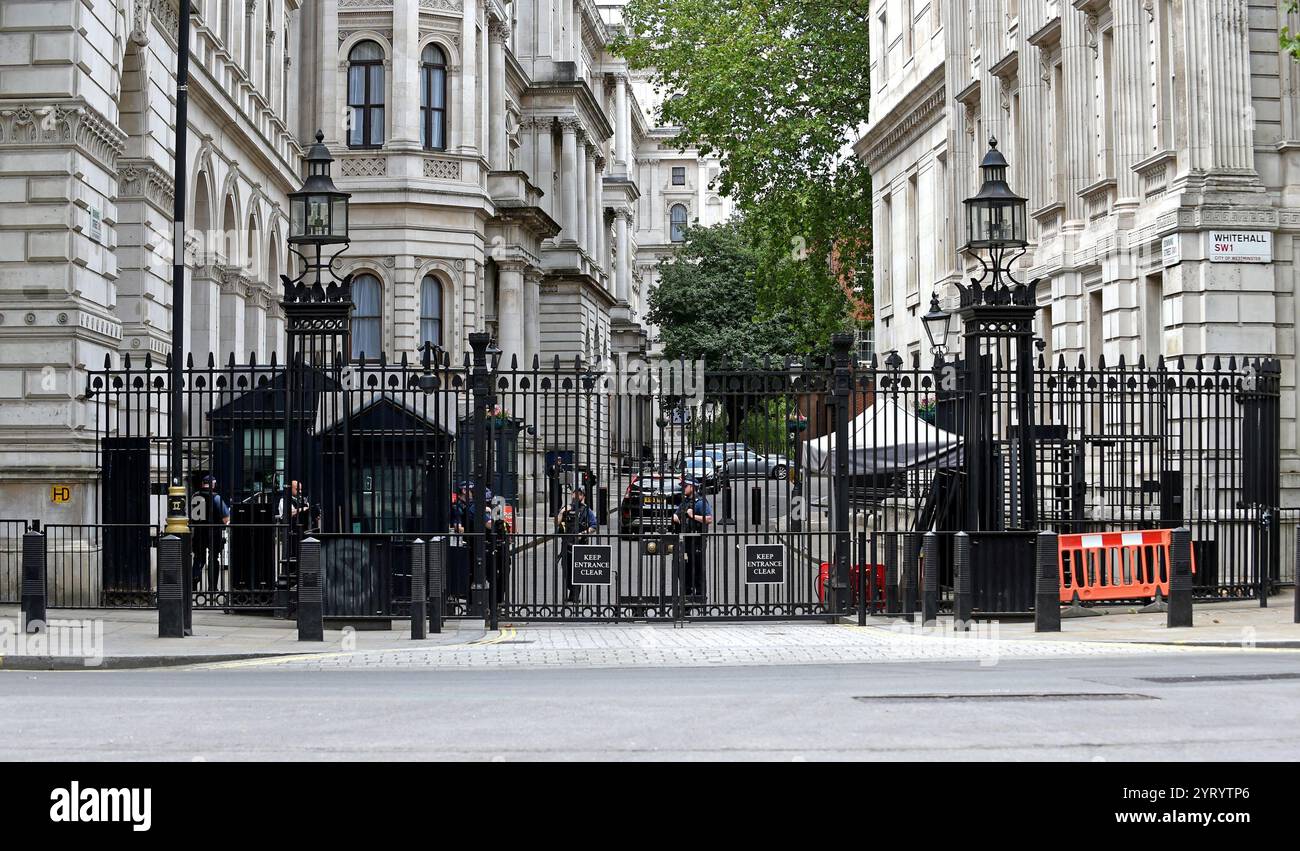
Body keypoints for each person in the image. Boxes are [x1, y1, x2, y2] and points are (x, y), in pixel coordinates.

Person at [555, 485, 598, 605]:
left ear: (583, 496)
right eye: (575, 493)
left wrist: (582, 533)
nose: (576, 496)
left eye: (579, 494)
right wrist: (562, 512)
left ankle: (574, 595)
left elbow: (594, 526)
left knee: (577, 571)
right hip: (566, 544)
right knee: (566, 571)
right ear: (571, 495)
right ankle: (571, 591)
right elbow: (557, 524)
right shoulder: (566, 508)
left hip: (580, 545)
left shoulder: (586, 510)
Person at [672, 477, 712, 600]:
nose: (683, 488)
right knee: (684, 568)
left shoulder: (700, 502)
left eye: (685, 486)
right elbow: (676, 513)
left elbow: (709, 519)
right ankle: (687, 594)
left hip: (697, 540)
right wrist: (675, 516)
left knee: (698, 567)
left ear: (692, 487)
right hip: (685, 540)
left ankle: (700, 595)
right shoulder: (685, 502)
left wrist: (692, 515)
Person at [191, 474, 230, 592]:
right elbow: (226, 518)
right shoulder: (216, 497)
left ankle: (194, 581)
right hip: (213, 531)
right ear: (213, 484)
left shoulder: (195, 496)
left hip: (198, 531)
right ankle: (212, 587)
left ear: (203, 484)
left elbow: (193, 515)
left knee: (198, 558)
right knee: (214, 558)